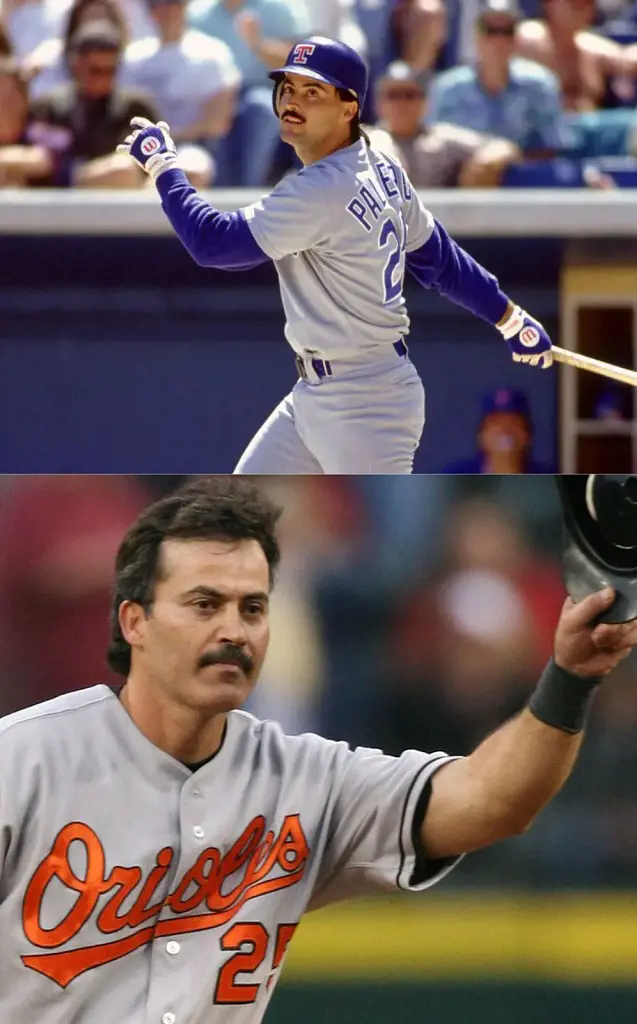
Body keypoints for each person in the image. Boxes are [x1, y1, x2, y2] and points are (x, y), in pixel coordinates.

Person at [1, 474, 636, 1023]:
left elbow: (493, 800)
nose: (233, 630)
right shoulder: (25, 761)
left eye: (253, 607)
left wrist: (570, 676)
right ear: (134, 621)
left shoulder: (306, 778)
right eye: (204, 604)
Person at [118, 35, 557, 475]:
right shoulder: (382, 163)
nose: (293, 101)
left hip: (365, 402)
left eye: (313, 93)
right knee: (241, 504)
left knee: (377, 540)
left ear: (350, 109)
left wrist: (164, 168)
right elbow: (438, 259)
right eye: (288, 87)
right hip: (320, 391)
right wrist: (509, 317)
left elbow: (213, 243)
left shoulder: (320, 188)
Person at [27, 19, 160, 187]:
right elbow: (40, 161)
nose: (104, 79)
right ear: (77, 66)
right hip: (58, 203)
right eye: (96, 71)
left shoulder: (135, 109)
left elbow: (156, 160)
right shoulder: (49, 107)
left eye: (111, 71)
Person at [429, 0, 568, 155]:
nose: (499, 40)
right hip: (458, 173)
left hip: (519, 172)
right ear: (477, 36)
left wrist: (502, 159)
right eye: (491, 31)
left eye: (506, 31)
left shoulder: (540, 84)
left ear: (516, 38)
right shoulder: (448, 87)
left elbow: (552, 146)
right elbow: (431, 144)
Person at [120, 0, 240, 179]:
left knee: (191, 170)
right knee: (117, 170)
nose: (166, 9)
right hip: (138, 146)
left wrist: (168, 138)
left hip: (192, 146)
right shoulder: (132, 57)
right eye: (157, 4)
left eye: (173, 3)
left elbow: (217, 122)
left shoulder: (212, 54)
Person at [367, 60, 522, 187]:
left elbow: (501, 146)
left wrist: (487, 161)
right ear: (378, 104)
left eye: (410, 95)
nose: (401, 103)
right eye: (393, 95)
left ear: (425, 102)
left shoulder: (442, 138)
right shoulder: (366, 140)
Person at [440, 387, 555, 473]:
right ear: (481, 435)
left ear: (528, 435)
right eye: (496, 423)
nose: (505, 430)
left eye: (514, 422)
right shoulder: (455, 476)